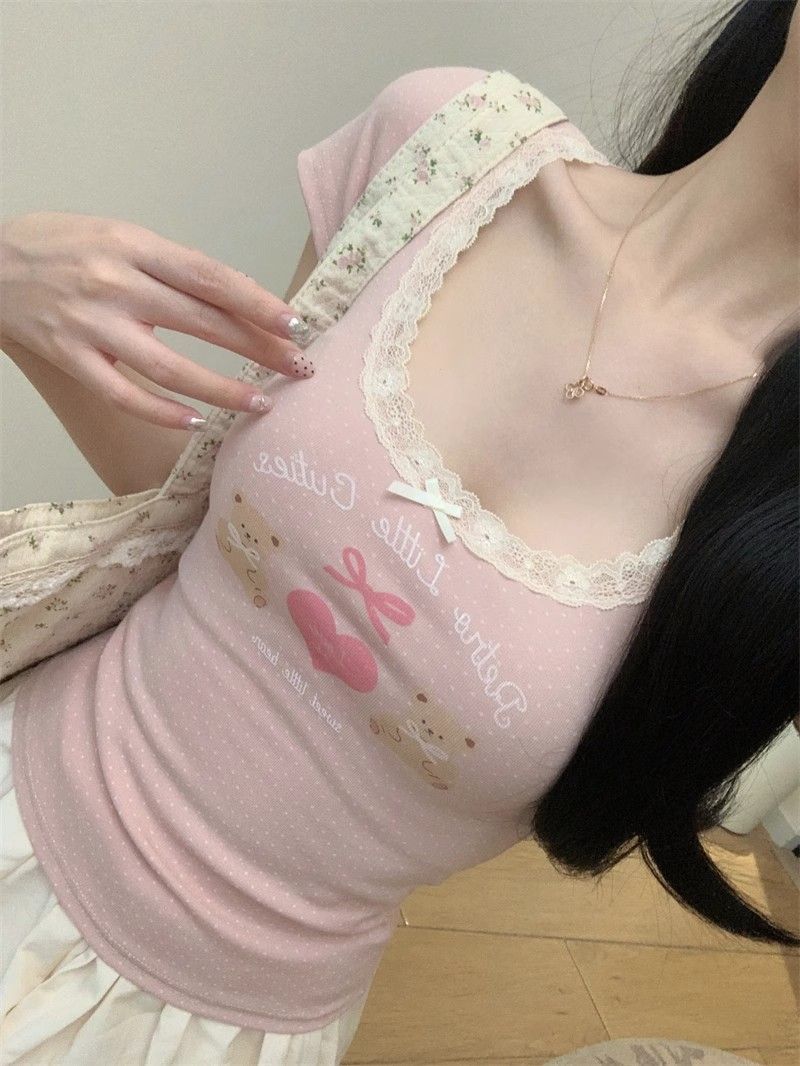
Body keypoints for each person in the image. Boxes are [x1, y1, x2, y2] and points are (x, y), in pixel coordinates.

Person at [1, 1, 798, 1063]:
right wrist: (14, 296)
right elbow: (210, 519)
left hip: (200, 1029)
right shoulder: (446, 145)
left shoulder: (779, 531)